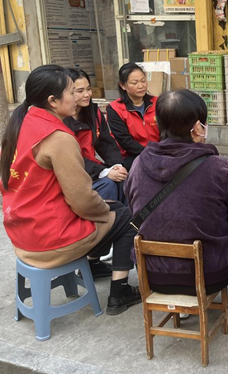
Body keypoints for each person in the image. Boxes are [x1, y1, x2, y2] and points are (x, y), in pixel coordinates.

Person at [0, 65, 140, 315]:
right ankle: (119, 293)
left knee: (112, 209)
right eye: (71, 92)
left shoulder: (20, 124)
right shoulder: (58, 137)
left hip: (21, 232)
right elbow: (83, 201)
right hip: (50, 239)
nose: (77, 98)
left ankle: (94, 264)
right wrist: (104, 211)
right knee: (127, 218)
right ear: (53, 101)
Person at [125, 90, 228, 328]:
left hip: (151, 274)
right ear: (198, 127)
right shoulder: (218, 167)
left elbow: (134, 209)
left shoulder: (138, 164)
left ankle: (185, 308)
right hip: (208, 275)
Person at [63, 68, 128, 204]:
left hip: (94, 169)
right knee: (107, 184)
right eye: (80, 91)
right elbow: (70, 159)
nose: (87, 94)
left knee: (123, 179)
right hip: (74, 173)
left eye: (88, 89)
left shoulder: (93, 112)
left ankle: (127, 222)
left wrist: (116, 165)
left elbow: (106, 143)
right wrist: (104, 172)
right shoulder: (60, 118)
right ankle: (104, 223)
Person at [107, 63, 159, 170]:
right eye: (134, 83)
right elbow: (124, 141)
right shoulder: (114, 109)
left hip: (159, 151)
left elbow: (167, 131)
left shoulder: (158, 102)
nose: (141, 86)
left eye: (143, 81)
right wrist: (148, 153)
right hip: (132, 155)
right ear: (123, 85)